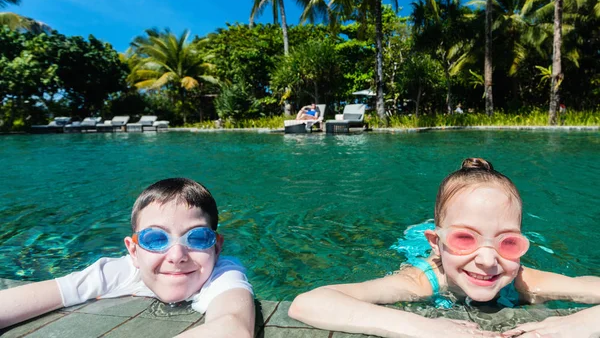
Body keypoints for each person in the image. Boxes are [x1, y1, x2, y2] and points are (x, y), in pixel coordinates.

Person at [288, 158, 600, 338]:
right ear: (436, 244)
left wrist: (579, 324)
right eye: (466, 239)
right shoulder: (420, 282)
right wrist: (427, 329)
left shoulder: (524, 279)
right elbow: (307, 303)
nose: (489, 260)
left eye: (507, 242)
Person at [0, 178, 255, 337]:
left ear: (217, 247)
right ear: (133, 251)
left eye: (198, 238)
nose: (177, 256)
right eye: (155, 239)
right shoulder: (119, 272)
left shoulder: (223, 274)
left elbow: (232, 326)